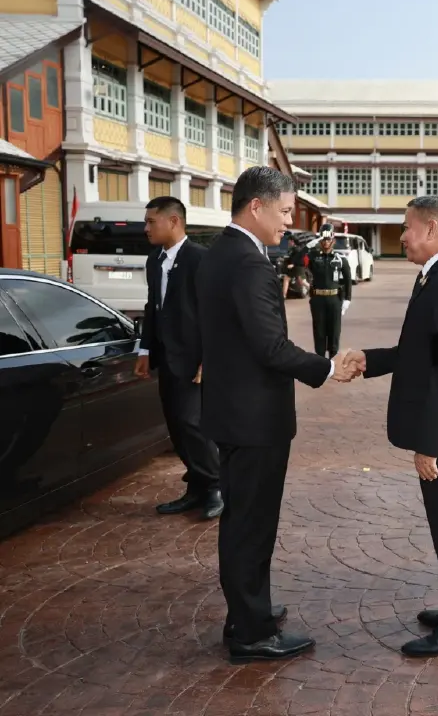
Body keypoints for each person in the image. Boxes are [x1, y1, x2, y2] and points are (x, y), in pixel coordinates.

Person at [196, 167, 360, 664]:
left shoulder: (217, 255)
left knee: (243, 519)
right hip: (254, 418)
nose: (290, 223)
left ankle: (248, 611)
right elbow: (270, 346)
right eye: (286, 212)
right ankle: (251, 632)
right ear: (256, 207)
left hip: (232, 411)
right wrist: (327, 367)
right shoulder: (248, 264)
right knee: (251, 523)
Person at [342, 196, 438, 658]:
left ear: (430, 229)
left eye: (406, 228)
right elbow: (421, 353)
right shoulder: (437, 276)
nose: (402, 237)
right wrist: (371, 360)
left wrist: (428, 445)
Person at [134, 196, 222, 520]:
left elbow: (217, 315)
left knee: (192, 423)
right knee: (176, 427)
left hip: (194, 360)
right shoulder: (153, 260)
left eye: (150, 221)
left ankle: (215, 486)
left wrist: (208, 358)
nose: (146, 228)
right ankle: (197, 487)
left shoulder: (201, 260)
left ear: (173, 221)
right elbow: (152, 308)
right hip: (165, 358)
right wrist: (145, 350)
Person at [304, 223, 352, 358]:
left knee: (334, 333)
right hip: (318, 299)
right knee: (319, 332)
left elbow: (348, 280)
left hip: (334, 300)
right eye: (323, 239)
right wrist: (308, 246)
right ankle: (320, 363)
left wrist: (347, 300)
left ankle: (333, 362)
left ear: (333, 240)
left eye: (328, 239)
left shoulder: (340, 259)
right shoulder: (312, 257)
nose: (326, 242)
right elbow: (296, 261)